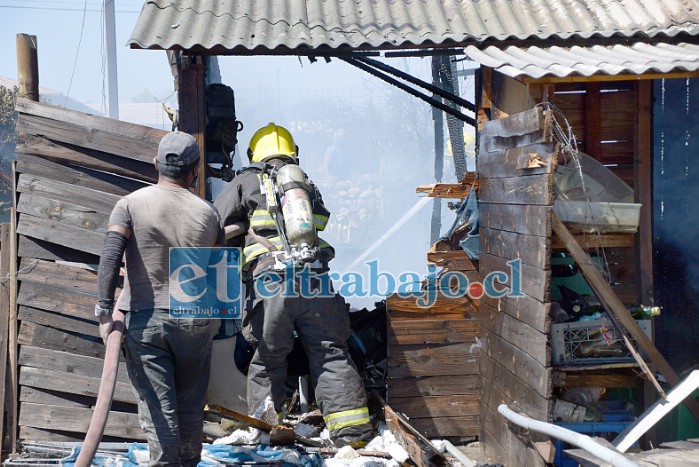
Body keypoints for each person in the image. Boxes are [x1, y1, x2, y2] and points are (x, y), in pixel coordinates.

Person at [213, 122, 373, 447]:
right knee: (331, 354)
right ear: (292, 152)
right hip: (315, 280)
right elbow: (322, 220)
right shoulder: (302, 183)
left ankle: (264, 430)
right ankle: (353, 435)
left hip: (272, 284)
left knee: (268, 358)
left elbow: (213, 220)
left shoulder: (246, 179)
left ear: (254, 153)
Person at [96, 131, 224, 465]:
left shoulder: (130, 204)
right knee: (191, 406)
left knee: (159, 408)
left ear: (156, 164)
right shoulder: (209, 213)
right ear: (195, 169)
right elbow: (219, 272)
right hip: (196, 320)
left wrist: (104, 312)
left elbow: (110, 256)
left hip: (147, 319)